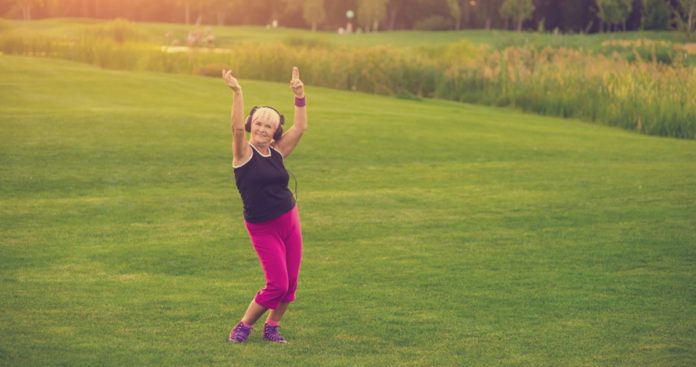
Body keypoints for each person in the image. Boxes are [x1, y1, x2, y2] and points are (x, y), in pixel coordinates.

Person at [222, 67, 307, 344]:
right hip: (262, 227)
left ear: (275, 132)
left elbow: (301, 127)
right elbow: (235, 128)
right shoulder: (243, 154)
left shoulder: (278, 151)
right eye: (257, 123)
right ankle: (243, 326)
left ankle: (273, 326)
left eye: (268, 126)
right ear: (250, 124)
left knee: (290, 286)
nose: (261, 129)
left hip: (289, 219)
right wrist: (237, 91)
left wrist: (300, 96)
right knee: (277, 285)